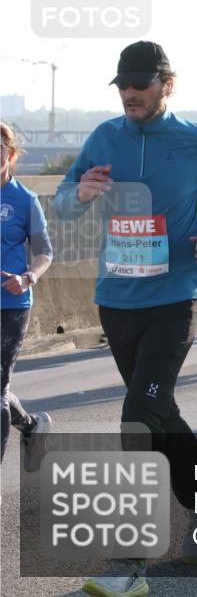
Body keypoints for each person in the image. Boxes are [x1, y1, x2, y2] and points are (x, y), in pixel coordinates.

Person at [53, 41, 197, 594]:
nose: (130, 94)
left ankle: (129, 564)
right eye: (123, 85)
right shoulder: (104, 137)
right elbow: (64, 201)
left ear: (167, 84)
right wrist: (80, 193)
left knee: (138, 417)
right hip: (117, 302)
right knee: (160, 413)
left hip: (176, 297)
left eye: (141, 84)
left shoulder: (193, 139)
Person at [1, 122, 54, 472]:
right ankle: (33, 427)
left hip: (11, 305)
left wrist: (28, 277)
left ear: (10, 154)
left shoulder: (24, 199)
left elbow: (44, 252)